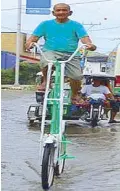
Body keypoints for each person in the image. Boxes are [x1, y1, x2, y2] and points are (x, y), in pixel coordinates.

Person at [25, 3, 96, 104]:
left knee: (76, 76)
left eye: (64, 10)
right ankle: (46, 81)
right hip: (51, 51)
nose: (61, 12)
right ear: (53, 13)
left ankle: (75, 94)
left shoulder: (76, 25)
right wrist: (29, 44)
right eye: (58, 10)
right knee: (46, 62)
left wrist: (90, 45)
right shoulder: (45, 24)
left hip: (71, 54)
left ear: (70, 13)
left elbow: (85, 39)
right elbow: (32, 39)